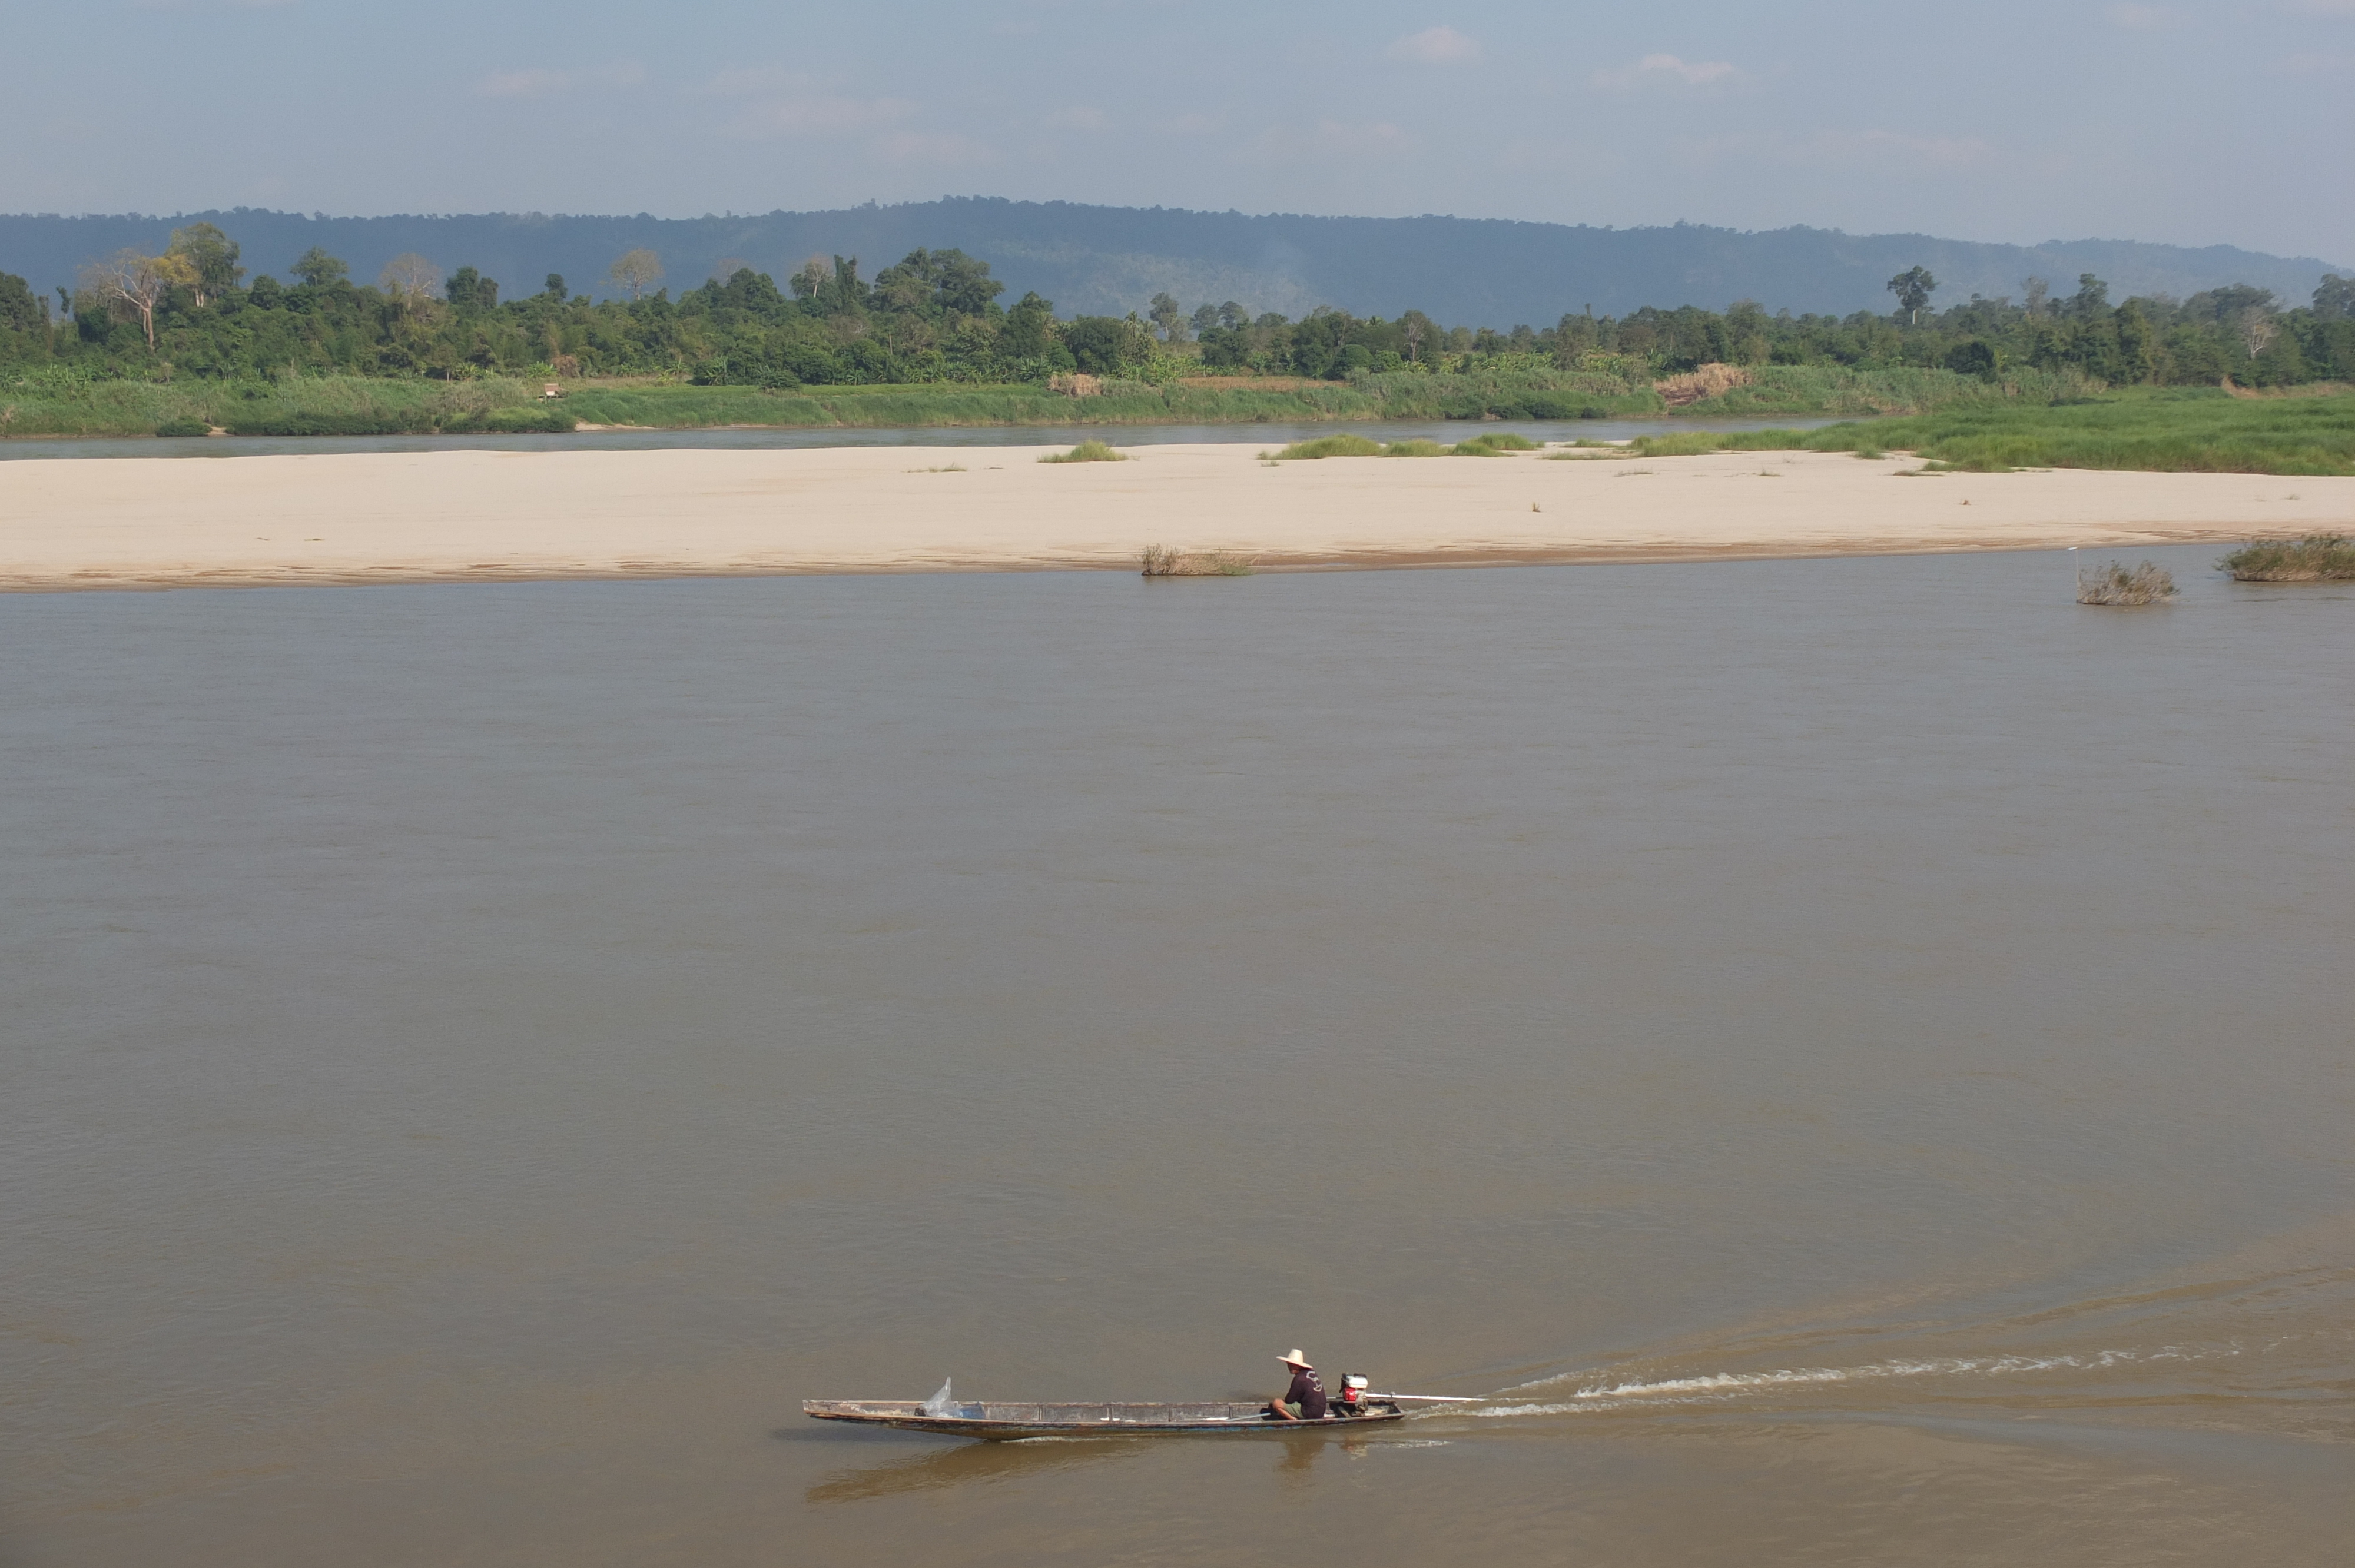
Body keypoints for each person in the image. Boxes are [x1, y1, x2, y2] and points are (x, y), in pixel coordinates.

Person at [1268, 1348, 1328, 1421]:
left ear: (1299, 1366)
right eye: (1289, 1364)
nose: (1290, 1367)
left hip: (1310, 1413)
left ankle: (1293, 1419)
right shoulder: (1312, 1373)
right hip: (1321, 1411)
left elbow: (1289, 1400)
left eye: (1293, 1365)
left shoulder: (1299, 1379)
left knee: (1276, 1403)